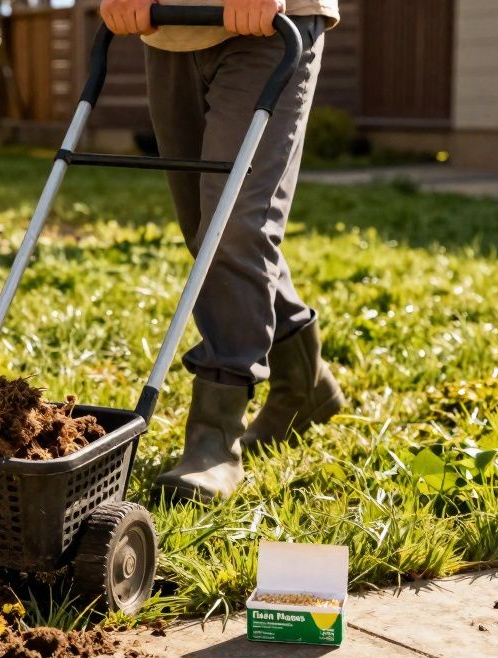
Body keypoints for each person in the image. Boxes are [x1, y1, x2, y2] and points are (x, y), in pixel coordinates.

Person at [98, 0, 345, 502]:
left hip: (270, 23)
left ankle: (214, 435)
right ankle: (306, 387)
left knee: (231, 226)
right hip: (169, 29)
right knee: (206, 232)